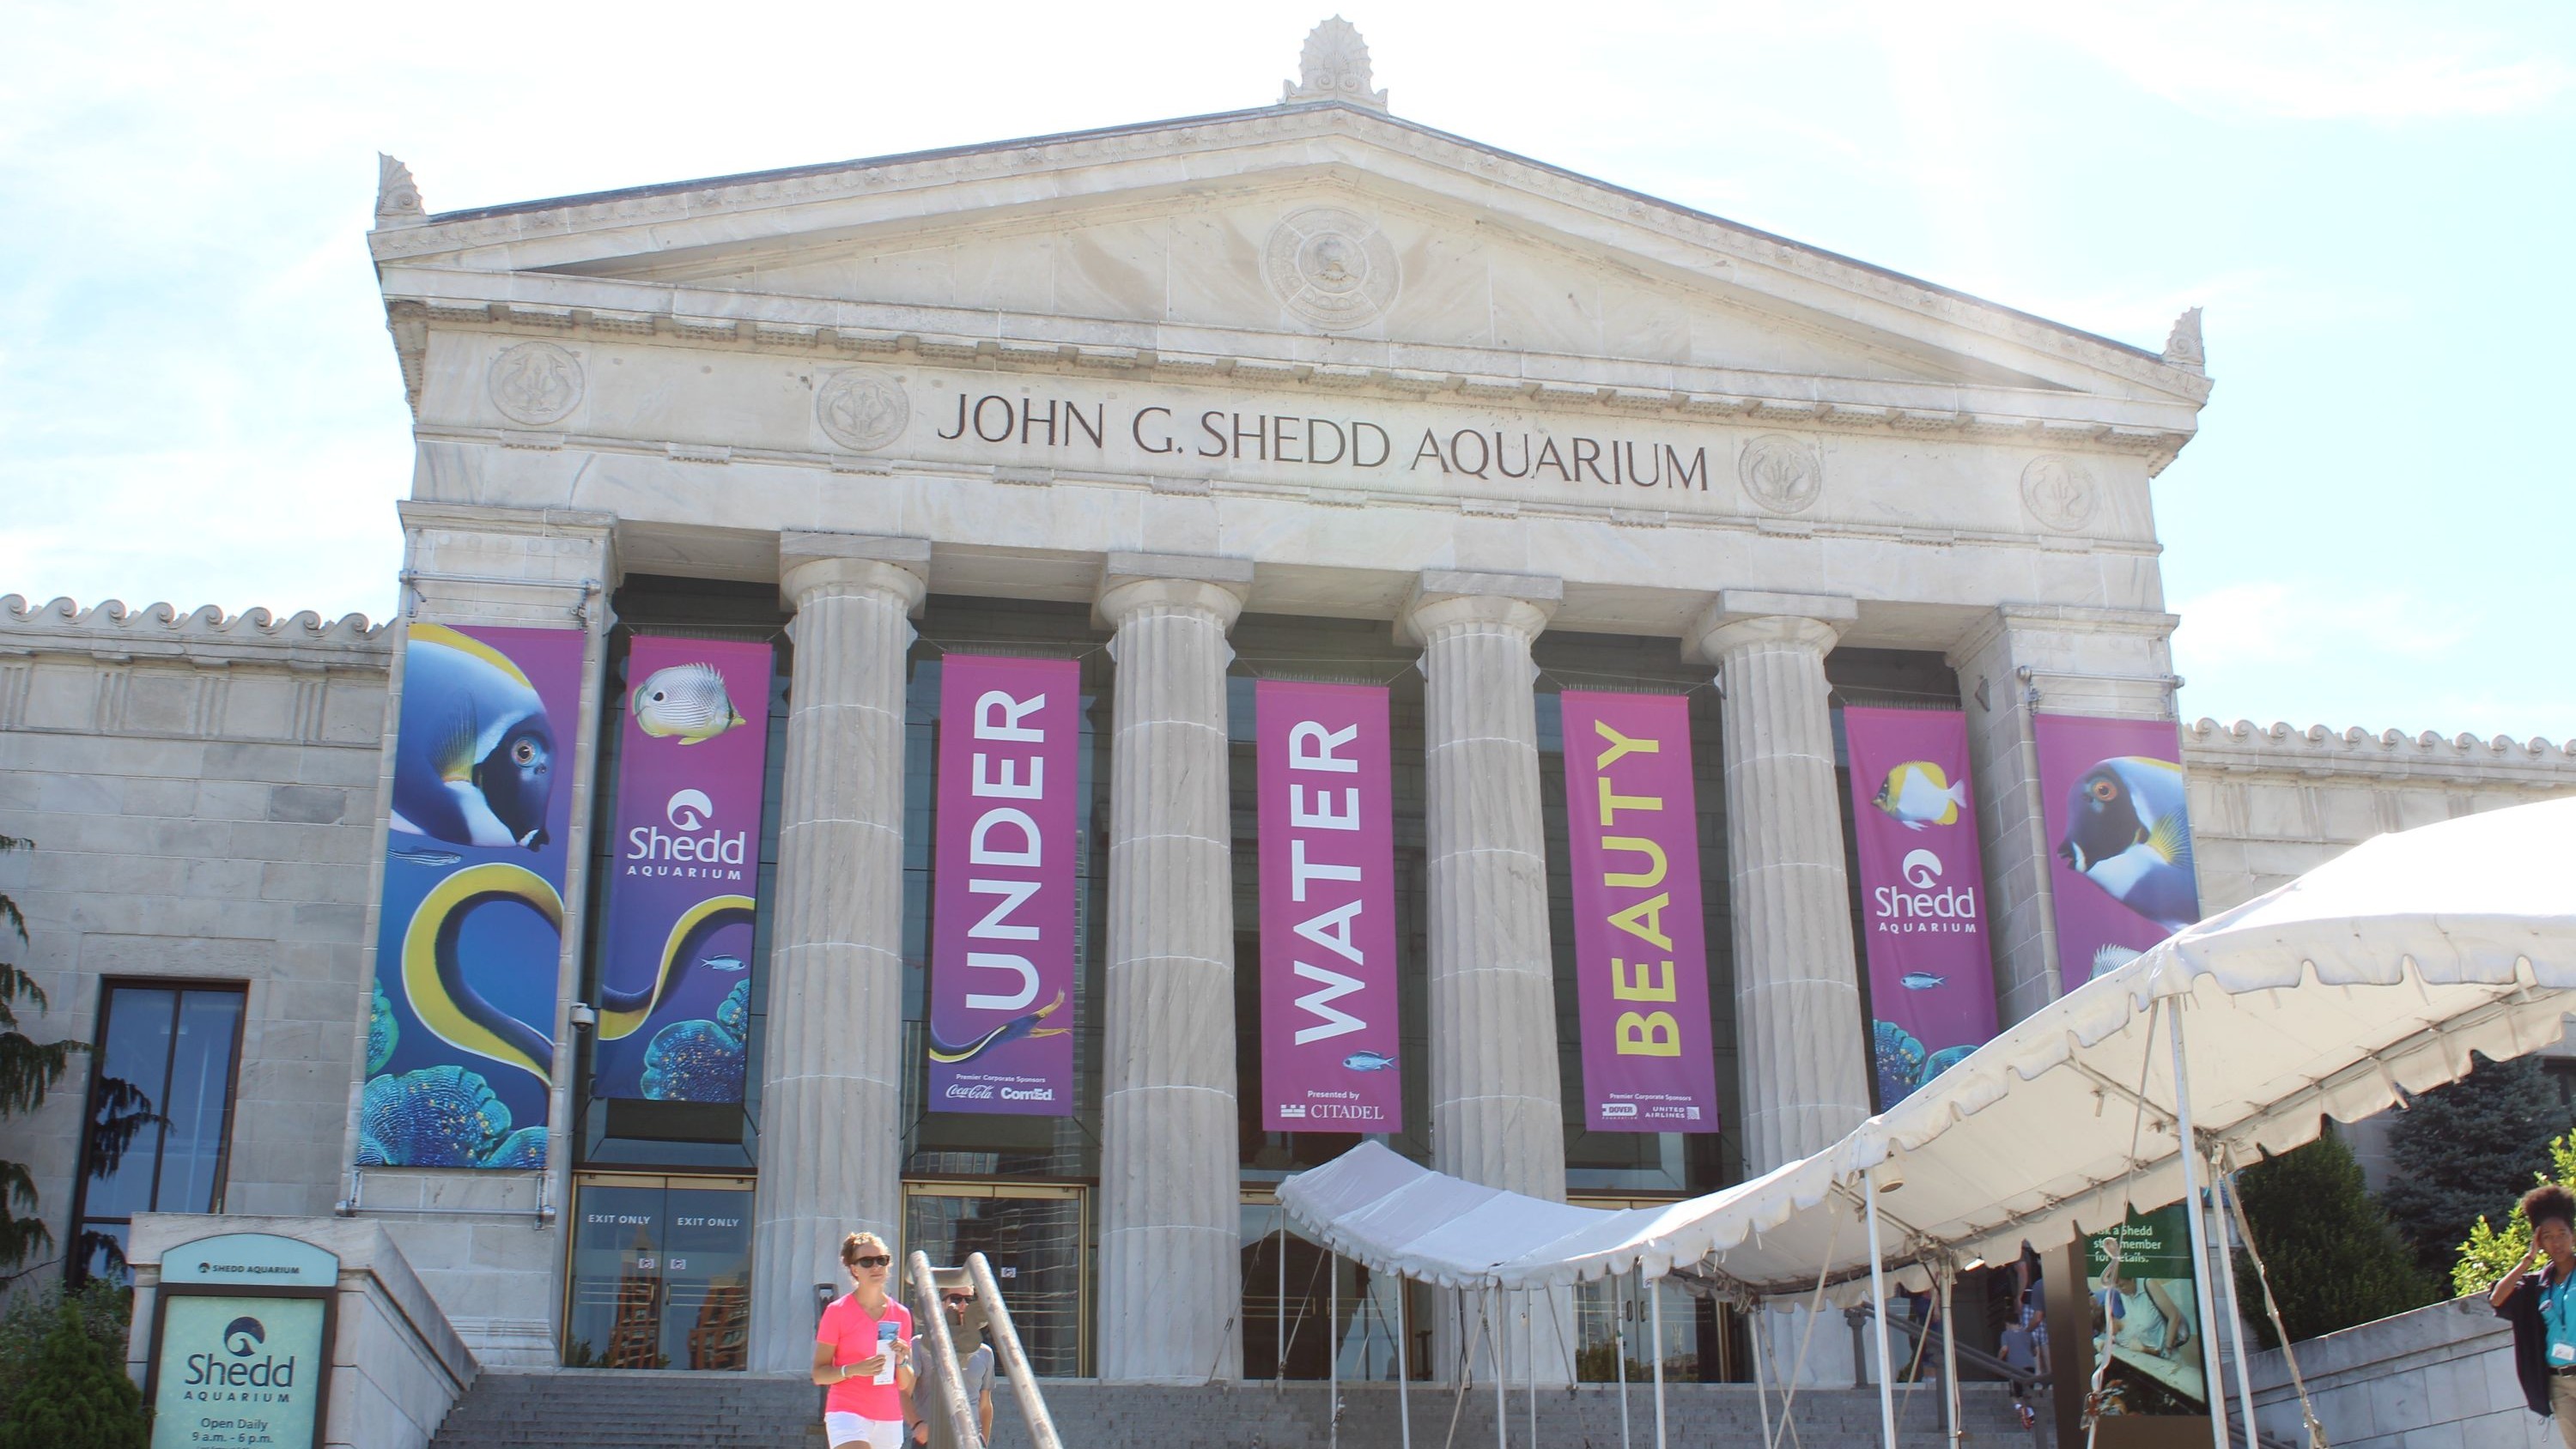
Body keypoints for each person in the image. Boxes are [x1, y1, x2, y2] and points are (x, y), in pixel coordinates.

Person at [814, 1232, 917, 1449]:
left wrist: (901, 1361)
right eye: (867, 1262)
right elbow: (819, 1374)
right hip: (846, 1411)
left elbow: (906, 1383)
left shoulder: (901, 1314)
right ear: (854, 1269)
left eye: (882, 1260)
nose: (876, 1267)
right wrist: (852, 1370)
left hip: (888, 1415)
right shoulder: (837, 1312)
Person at [2491, 1183, 2576, 1446]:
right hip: (2559, 1383)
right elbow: (2496, 1299)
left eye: (2562, 1233)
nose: (2556, 1241)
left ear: (2573, 1234)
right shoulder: (2537, 1286)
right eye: (2548, 1236)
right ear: (2539, 1240)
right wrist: (2528, 1259)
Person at [905, 1277, 996, 1449]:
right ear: (940, 1303)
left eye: (969, 1300)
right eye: (956, 1298)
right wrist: (917, 1425)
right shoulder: (919, 1345)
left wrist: (983, 1440)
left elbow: (985, 1404)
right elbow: (903, 1393)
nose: (963, 1305)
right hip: (931, 1439)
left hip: (971, 1440)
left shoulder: (985, 1352)